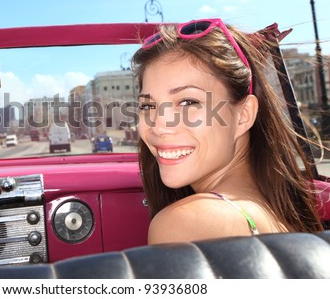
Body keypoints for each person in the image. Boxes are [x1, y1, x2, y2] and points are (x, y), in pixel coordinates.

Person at [131, 18, 323, 244]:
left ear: (244, 115)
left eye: (187, 102)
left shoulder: (185, 223)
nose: (159, 126)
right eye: (148, 106)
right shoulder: (278, 206)